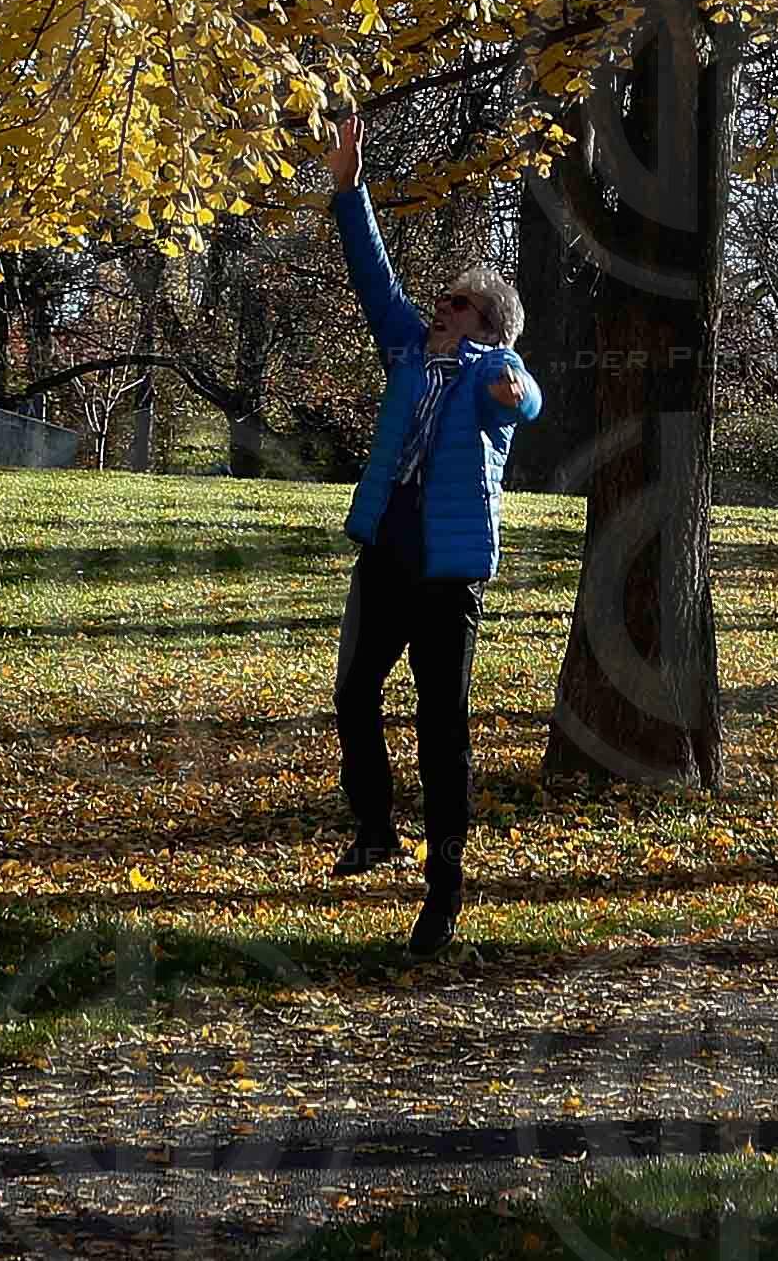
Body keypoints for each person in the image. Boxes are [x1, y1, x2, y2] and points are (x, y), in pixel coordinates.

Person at [325, 107, 541, 956]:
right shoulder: (408, 354)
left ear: (486, 323)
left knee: (442, 726)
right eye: (444, 298)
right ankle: (375, 826)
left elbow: (528, 398)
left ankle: (444, 891)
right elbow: (370, 272)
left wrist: (505, 381)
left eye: (459, 302)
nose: (440, 306)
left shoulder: (495, 371)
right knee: (352, 694)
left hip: (449, 574)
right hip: (386, 549)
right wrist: (350, 182)